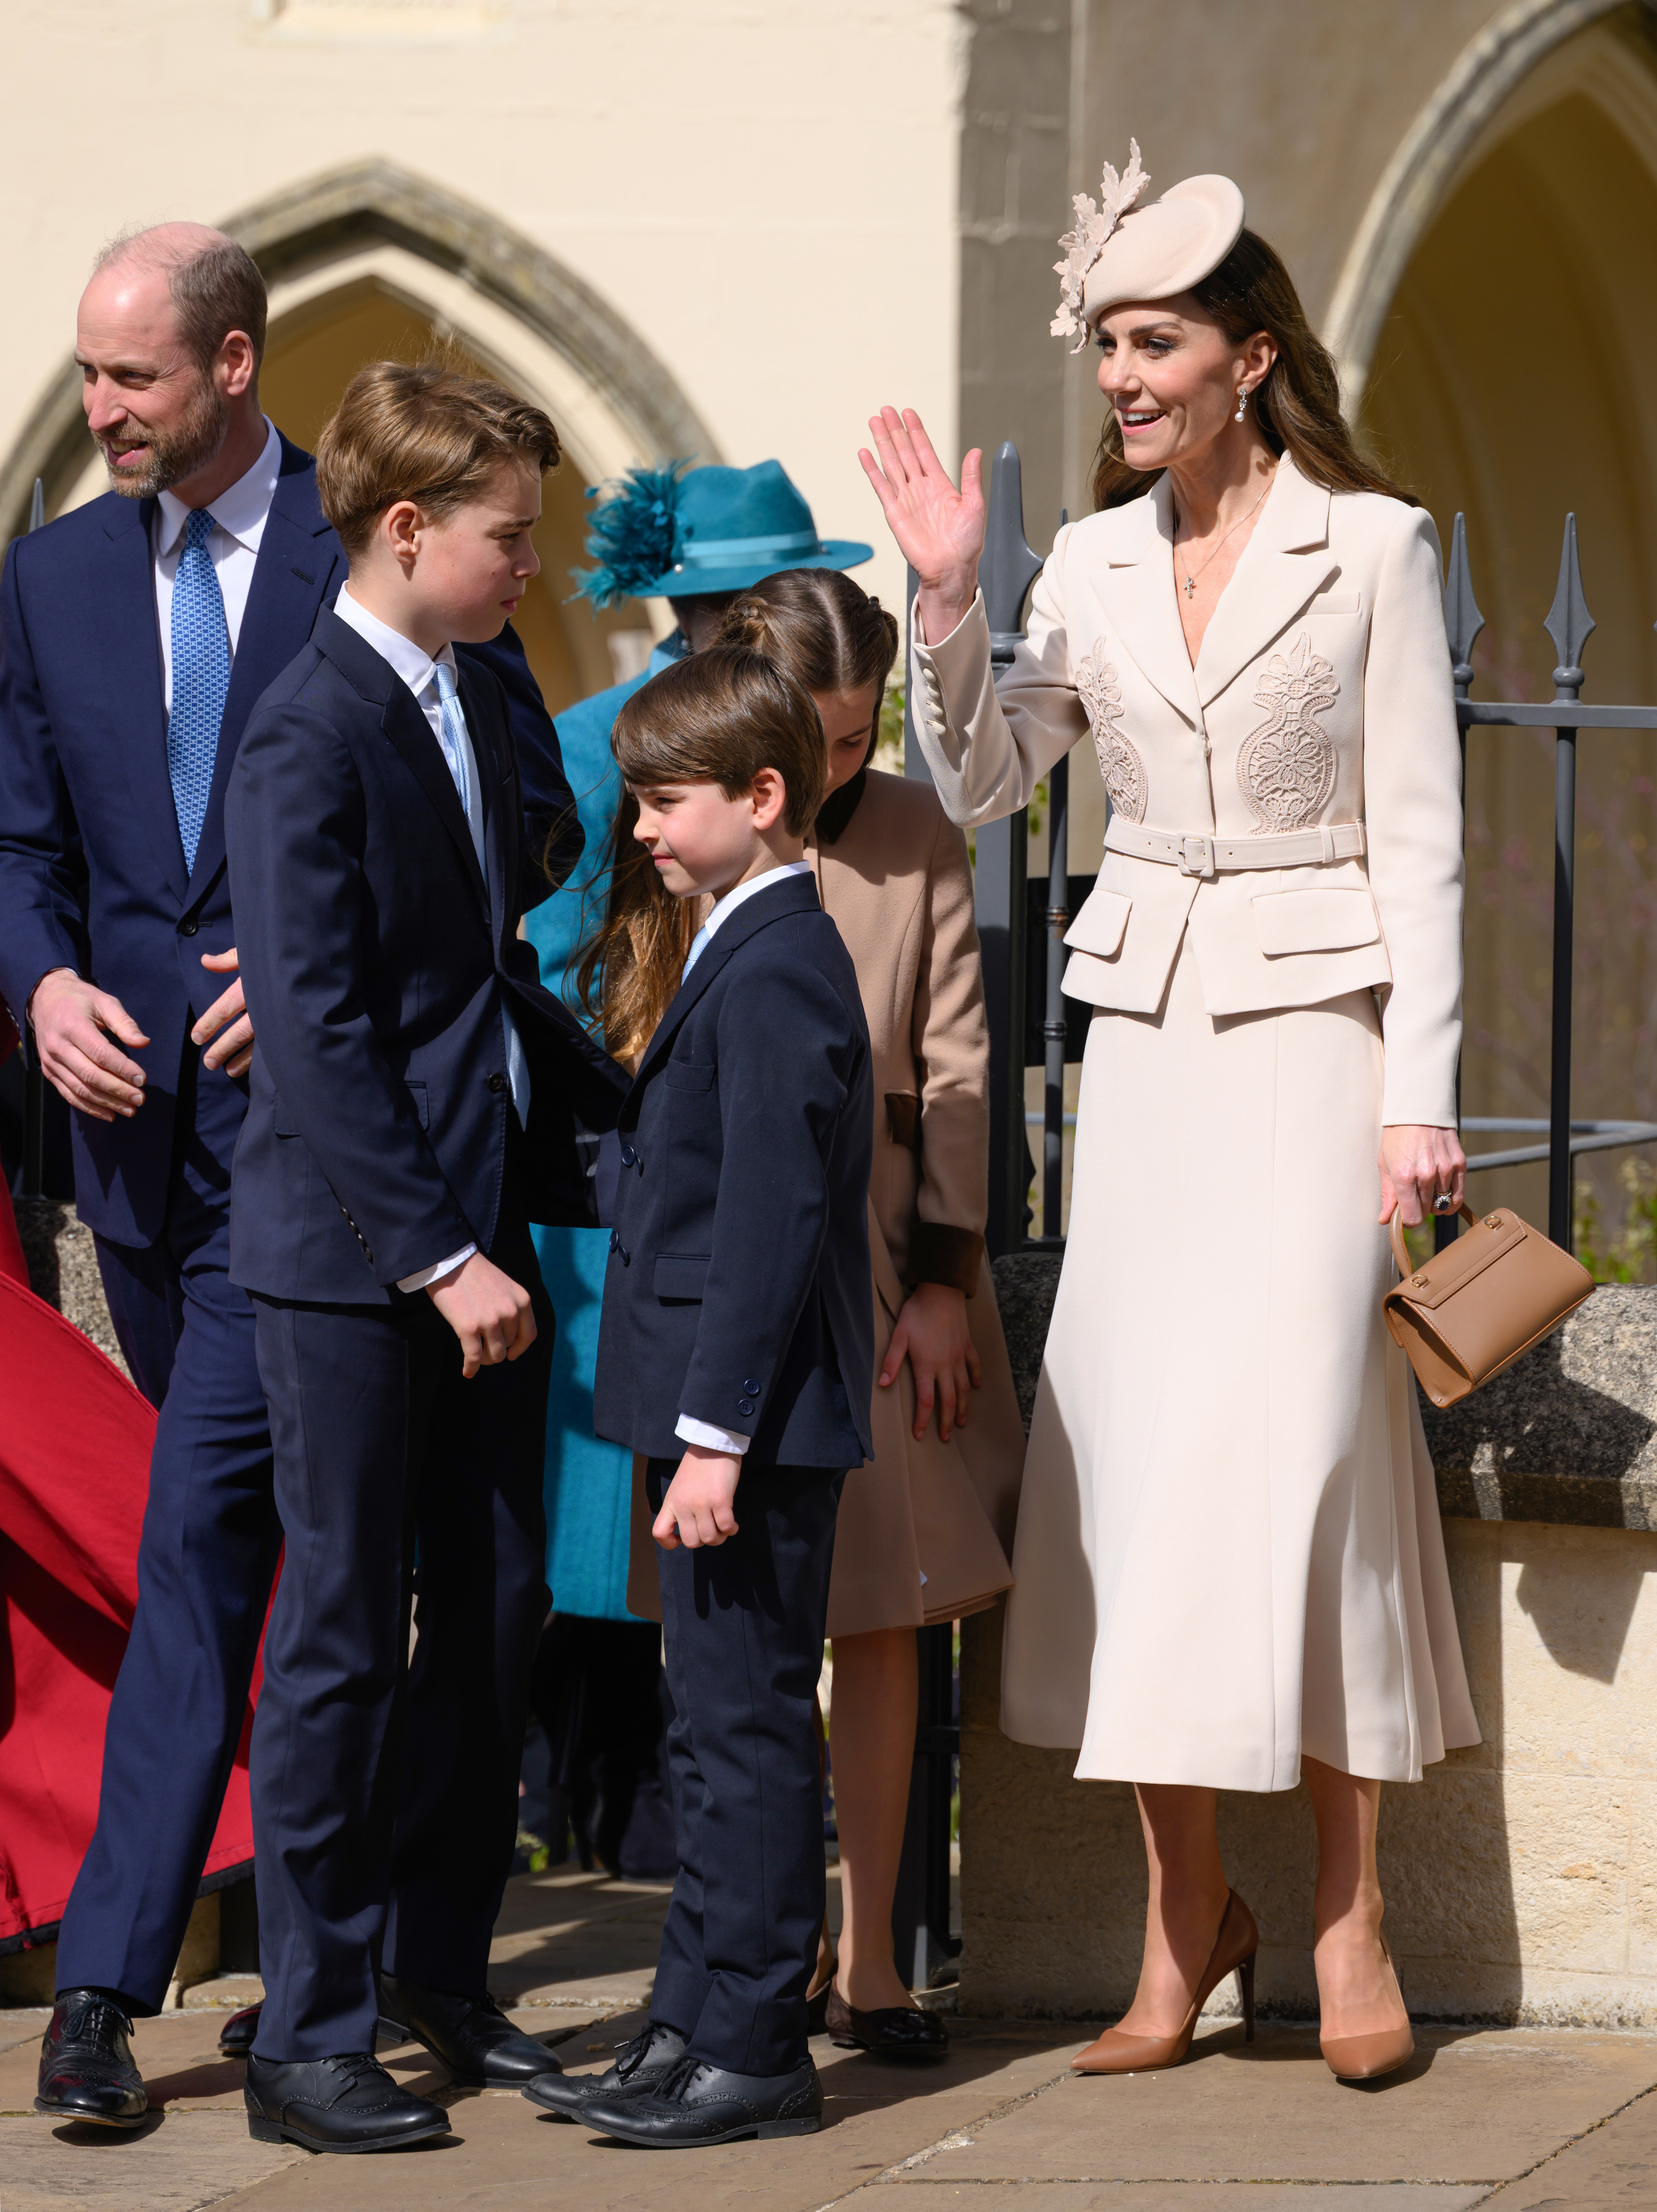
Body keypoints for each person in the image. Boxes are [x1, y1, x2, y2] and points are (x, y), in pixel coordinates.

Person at [860, 148, 1479, 2085]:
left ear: (1246, 354)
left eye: (1155, 342)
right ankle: (1176, 1923)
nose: (1121, 374)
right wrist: (946, 605)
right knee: (1131, 1463)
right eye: (1108, 343)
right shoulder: (1090, 564)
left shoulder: (1368, 546)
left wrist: (1417, 1098)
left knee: (1298, 1456)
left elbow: (1426, 846)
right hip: (1139, 1050)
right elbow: (971, 782)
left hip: (1313, 1043)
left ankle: (1343, 1914)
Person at [0, 227, 580, 2130]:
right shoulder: (56, 575)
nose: (101, 415)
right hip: (175, 1168)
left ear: (234, 367)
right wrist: (45, 981)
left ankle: (377, 1967)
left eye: (133, 380)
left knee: (441, 1592)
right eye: (87, 379)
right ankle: (110, 1987)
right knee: (218, 1573)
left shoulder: (394, 570)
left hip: (361, 1157)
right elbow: (22, 842)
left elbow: (493, 831)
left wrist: (315, 971)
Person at [222, 361, 626, 2153]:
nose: (526, 568)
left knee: (486, 1616)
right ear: (404, 528)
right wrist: (436, 1255)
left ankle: (437, 1980)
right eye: (503, 538)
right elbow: (310, 1028)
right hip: (353, 1255)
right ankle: (307, 2032)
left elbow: (514, 878)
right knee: (335, 1639)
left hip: (486, 1220)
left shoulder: (477, 681)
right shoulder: (306, 730)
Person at [520, 462, 872, 1872]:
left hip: (713, 1179)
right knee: (609, 1518)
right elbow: (546, 949)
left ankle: (677, 1884)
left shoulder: (777, 760)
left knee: (695, 1602)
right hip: (629, 1159)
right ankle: (591, 1802)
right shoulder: (606, 742)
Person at [706, 572, 1026, 2054]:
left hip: (894, 1275)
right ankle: (735, 1953)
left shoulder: (912, 829)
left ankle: (874, 1960)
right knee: (732, 1622)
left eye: (858, 735)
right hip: (725, 1259)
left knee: (882, 1615)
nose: (840, 768)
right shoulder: (691, 815)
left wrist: (948, 1287)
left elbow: (959, 1066)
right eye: (815, 738)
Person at [562, 648, 873, 2148]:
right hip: (706, 1417)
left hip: (737, 1429)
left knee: (747, 1728)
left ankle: (752, 2041)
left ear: (761, 797)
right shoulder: (735, 948)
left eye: (664, 803)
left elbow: (766, 1225)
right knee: (706, 1725)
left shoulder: (780, 967)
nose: (640, 833)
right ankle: (686, 2017)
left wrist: (714, 1439)